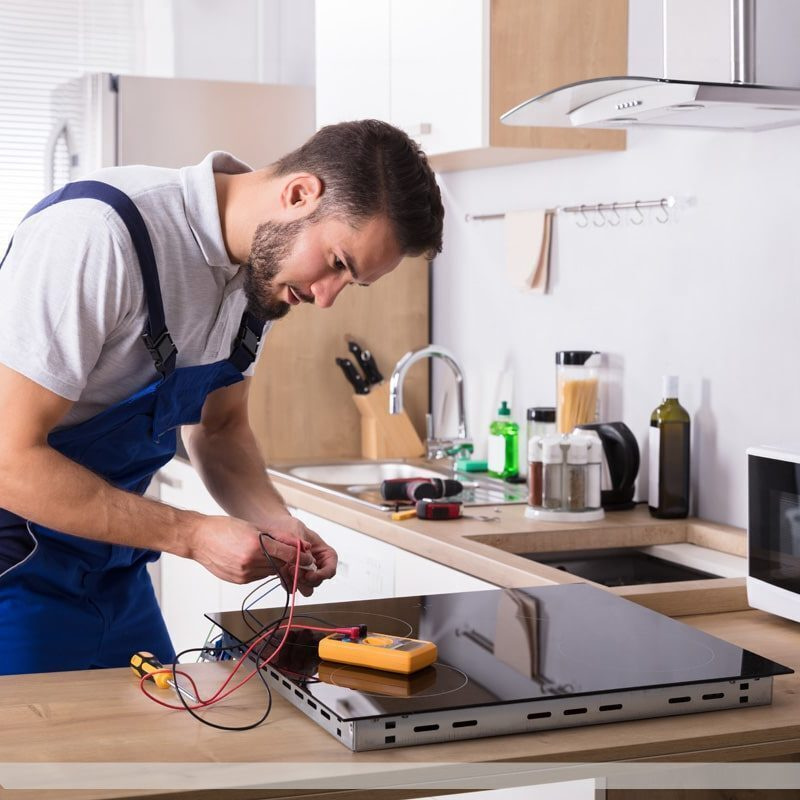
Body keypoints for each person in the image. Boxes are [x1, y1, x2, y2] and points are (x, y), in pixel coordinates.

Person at [0, 119, 444, 675]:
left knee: (164, 724)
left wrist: (277, 525)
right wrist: (191, 534)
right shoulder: (98, 235)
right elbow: (8, 459)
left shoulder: (260, 277)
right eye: (337, 263)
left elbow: (220, 428)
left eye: (350, 282)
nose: (327, 297)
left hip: (113, 571)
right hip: (13, 568)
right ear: (299, 194)